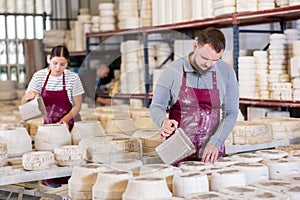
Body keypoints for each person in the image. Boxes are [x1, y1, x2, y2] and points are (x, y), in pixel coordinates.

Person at [149, 27, 239, 165]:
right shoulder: (172, 71)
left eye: (215, 60)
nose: (208, 64)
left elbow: (231, 113)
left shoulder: (226, 72)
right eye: (204, 57)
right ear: (195, 46)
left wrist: (216, 142)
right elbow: (156, 106)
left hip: (211, 151)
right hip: (177, 152)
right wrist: (163, 121)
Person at [21, 45, 84, 187]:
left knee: (70, 166)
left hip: (70, 125)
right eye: (55, 63)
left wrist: (65, 120)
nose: (58, 68)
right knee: (50, 169)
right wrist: (28, 97)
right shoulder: (39, 76)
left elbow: (78, 106)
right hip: (48, 127)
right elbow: (24, 103)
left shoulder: (73, 78)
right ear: (49, 59)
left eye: (63, 64)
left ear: (68, 62)